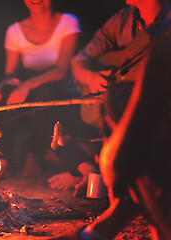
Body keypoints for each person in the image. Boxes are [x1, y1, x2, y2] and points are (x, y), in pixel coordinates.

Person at [49, 0, 171, 197]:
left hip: (152, 116)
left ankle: (98, 174)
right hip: (113, 113)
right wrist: (92, 77)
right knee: (57, 130)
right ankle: (89, 169)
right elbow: (80, 62)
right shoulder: (123, 18)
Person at [0, 0, 83, 177]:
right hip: (31, 98)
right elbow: (11, 75)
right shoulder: (15, 31)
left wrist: (27, 85)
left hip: (63, 97)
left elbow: (61, 70)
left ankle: (34, 152)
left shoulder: (68, 22)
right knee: (7, 93)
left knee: (44, 93)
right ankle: (4, 161)